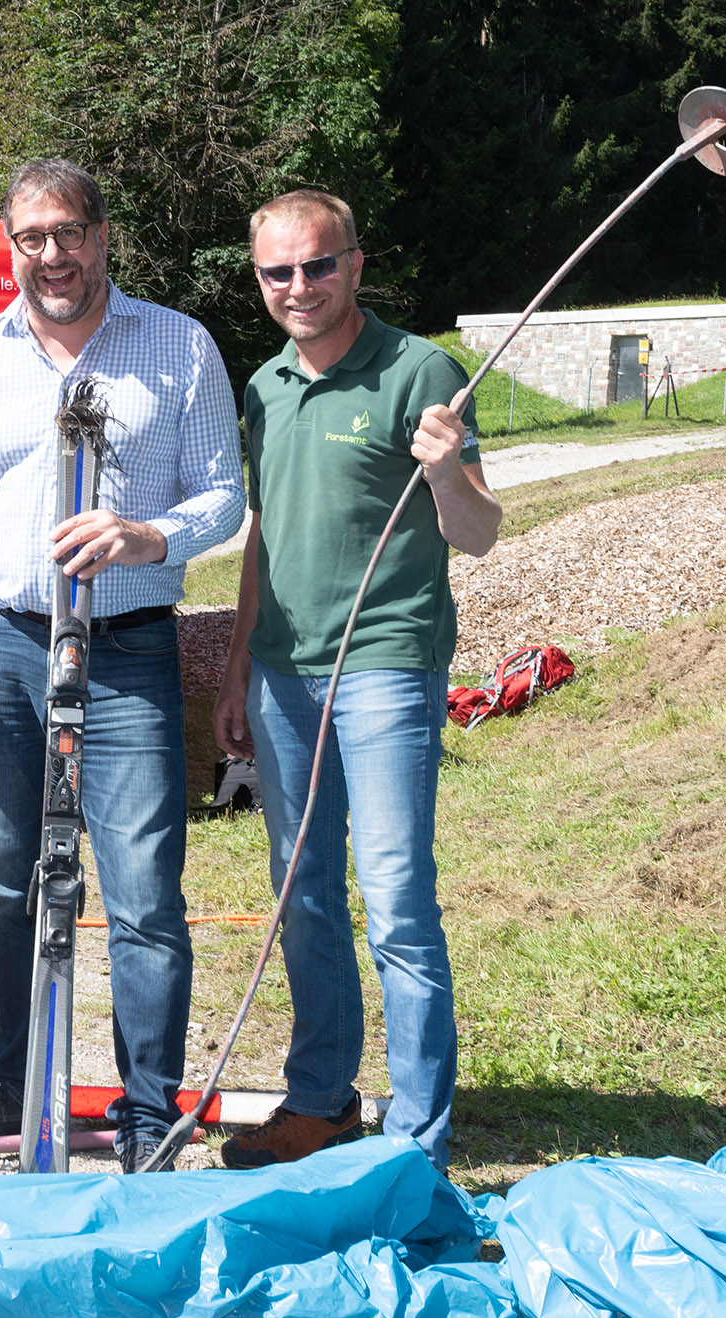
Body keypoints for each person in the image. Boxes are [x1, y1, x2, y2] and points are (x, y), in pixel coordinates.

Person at [0, 158, 245, 1172]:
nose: (52, 256)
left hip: (126, 650)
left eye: (69, 232)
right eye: (31, 237)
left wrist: (147, 535)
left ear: (102, 234)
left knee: (141, 890)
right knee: (6, 876)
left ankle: (145, 1112)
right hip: (4, 644)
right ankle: (18, 1083)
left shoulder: (177, 346)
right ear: (9, 244)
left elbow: (220, 493)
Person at [212, 190, 500, 1173]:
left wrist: (446, 471)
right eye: (276, 272)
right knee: (301, 896)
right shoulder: (261, 387)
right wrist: (237, 661)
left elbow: (479, 533)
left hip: (383, 665)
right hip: (281, 677)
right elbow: (266, 531)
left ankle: (415, 1139)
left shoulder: (422, 371)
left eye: (316, 264)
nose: (298, 286)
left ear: (356, 265)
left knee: (392, 894)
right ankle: (321, 1101)